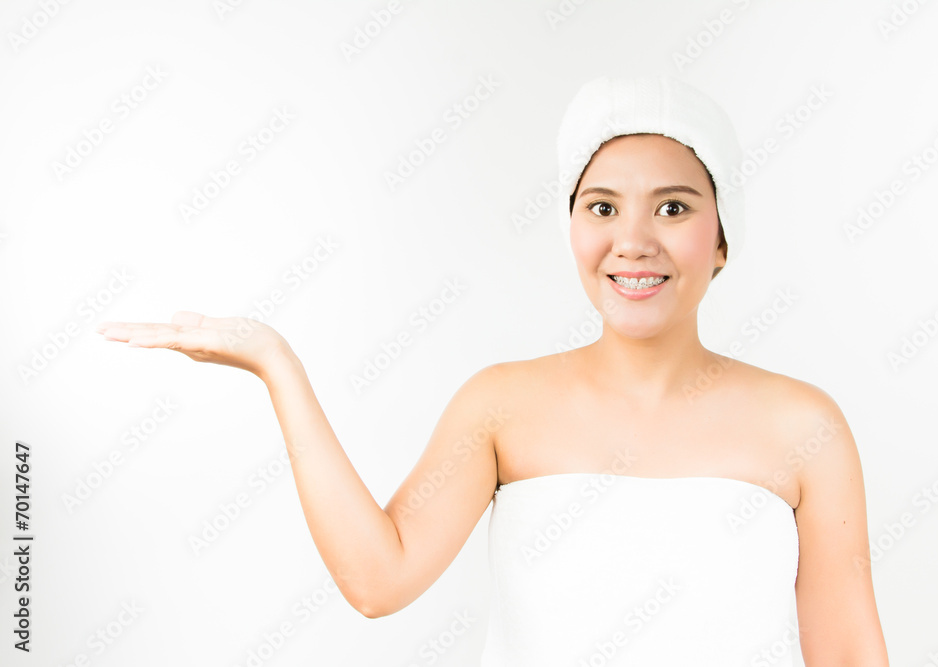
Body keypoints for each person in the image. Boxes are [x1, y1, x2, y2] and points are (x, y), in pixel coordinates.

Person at [95, 74, 890, 665]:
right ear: (571, 227)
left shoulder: (805, 427)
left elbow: (850, 652)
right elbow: (378, 578)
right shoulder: (502, 405)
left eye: (674, 207)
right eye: (602, 206)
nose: (634, 240)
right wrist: (279, 366)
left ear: (722, 235)